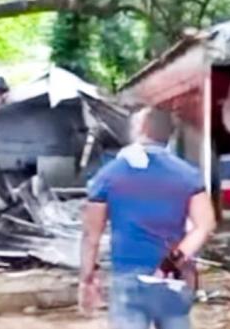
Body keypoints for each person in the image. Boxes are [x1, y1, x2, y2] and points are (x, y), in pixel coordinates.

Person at [79, 107, 217, 329]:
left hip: (129, 276)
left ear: (141, 128)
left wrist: (87, 279)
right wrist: (171, 262)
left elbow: (91, 236)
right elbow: (205, 225)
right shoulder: (188, 174)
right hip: (173, 277)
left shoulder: (110, 174)